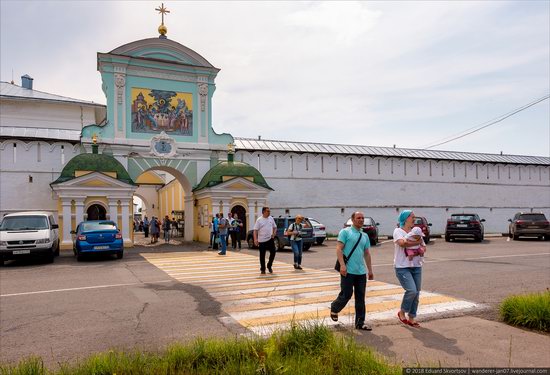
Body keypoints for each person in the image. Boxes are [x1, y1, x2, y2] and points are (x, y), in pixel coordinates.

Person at [330, 211, 374, 331]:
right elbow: (339, 249)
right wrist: (343, 266)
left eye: (362, 218)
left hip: (361, 272)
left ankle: (360, 323)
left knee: (361, 298)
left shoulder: (364, 236)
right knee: (346, 294)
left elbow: (367, 253)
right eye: (358, 218)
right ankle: (334, 307)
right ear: (353, 219)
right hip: (347, 271)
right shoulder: (345, 232)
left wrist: (369, 270)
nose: (361, 220)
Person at [393, 210, 424, 328]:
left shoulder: (415, 231)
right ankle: (402, 311)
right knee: (412, 290)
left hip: (416, 265)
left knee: (416, 293)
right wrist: (417, 241)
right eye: (412, 217)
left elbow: (422, 246)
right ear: (405, 218)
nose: (414, 219)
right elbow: (402, 243)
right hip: (402, 267)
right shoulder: (398, 231)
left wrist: (416, 242)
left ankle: (411, 318)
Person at [253, 207, 277, 274]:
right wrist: (255, 240)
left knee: (273, 252)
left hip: (270, 239)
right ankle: (263, 269)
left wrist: (274, 234)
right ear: (263, 212)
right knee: (262, 255)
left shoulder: (271, 218)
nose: (269, 212)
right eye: (267, 211)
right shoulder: (259, 220)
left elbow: (275, 227)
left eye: (269, 211)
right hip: (262, 240)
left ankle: (269, 265)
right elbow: (255, 230)